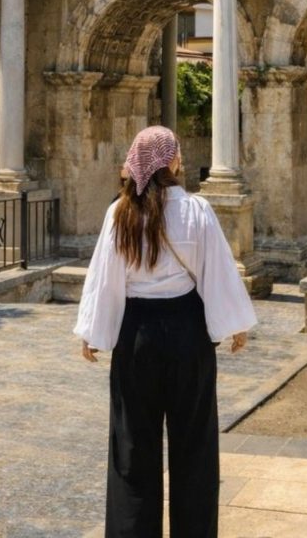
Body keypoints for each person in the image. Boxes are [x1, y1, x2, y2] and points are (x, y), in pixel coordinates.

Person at [75, 125, 257, 538]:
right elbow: (217, 273)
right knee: (194, 446)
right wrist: (234, 325)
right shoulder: (198, 210)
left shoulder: (120, 212)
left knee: (132, 450)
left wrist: (93, 332)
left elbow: (106, 279)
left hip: (137, 335)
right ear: (171, 161)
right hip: (188, 334)